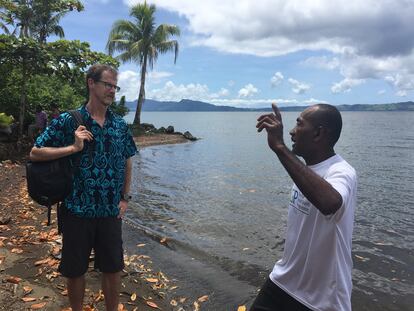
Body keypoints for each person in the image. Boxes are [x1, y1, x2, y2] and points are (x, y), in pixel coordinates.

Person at [29, 64, 137, 311]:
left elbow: (127, 158)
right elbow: (35, 153)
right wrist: (72, 148)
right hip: (77, 209)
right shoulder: (69, 120)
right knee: (75, 270)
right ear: (91, 83)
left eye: (115, 86)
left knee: (113, 268)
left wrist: (125, 197)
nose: (112, 90)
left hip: (110, 211)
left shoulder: (119, 125)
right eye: (107, 84)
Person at [250, 103, 357, 311]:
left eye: (299, 124)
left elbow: (331, 203)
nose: (291, 131)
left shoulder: (342, 172)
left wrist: (280, 147)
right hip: (283, 281)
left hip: (322, 301)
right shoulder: (305, 169)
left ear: (318, 133)